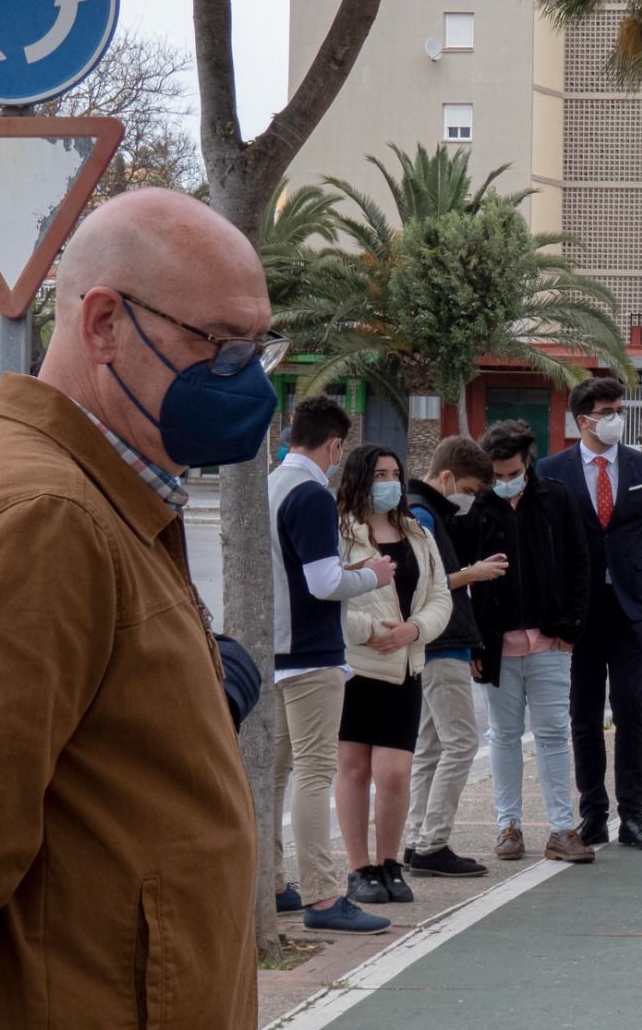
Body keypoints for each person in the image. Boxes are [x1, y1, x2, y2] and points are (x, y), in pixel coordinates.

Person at [0, 190, 277, 1024]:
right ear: (104, 324)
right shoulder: (52, 517)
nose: (247, 379)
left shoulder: (104, 494)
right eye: (220, 346)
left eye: (259, 347)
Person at [536, 377, 642, 852]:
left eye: (617, 409)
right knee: (583, 715)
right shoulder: (551, 468)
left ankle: (635, 816)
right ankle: (593, 816)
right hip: (578, 613)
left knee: (630, 708)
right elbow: (542, 545)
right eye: (606, 411)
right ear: (582, 420)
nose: (615, 418)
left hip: (633, 608)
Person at [270, 395, 396, 934]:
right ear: (335, 445)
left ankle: (271, 881)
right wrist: (374, 575)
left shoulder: (270, 484)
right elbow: (323, 584)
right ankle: (323, 896)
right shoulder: (313, 496)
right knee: (314, 772)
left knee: (271, 776)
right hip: (311, 653)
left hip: (271, 650)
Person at [464, 420, 596, 865]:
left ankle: (562, 829)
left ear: (527, 463)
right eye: (496, 475)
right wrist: (475, 645)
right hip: (495, 645)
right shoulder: (479, 505)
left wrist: (570, 629)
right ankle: (508, 826)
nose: (504, 482)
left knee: (555, 733)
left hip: (551, 643)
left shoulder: (555, 497)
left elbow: (581, 563)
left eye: (511, 473)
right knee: (502, 735)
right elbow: (460, 576)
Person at [336, 445, 452, 905]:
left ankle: (389, 864)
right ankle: (358, 868)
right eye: (380, 473)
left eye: (396, 474)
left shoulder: (418, 533)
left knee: (395, 772)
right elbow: (326, 599)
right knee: (353, 768)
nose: (390, 482)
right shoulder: (340, 532)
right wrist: (369, 632)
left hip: (404, 666)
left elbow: (441, 597)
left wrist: (413, 629)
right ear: (360, 478)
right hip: (355, 668)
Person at [403, 436, 501, 878]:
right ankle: (432, 841)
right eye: (470, 488)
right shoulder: (422, 513)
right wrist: (475, 573)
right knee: (461, 742)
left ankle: (416, 836)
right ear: (446, 477)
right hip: (442, 642)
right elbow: (431, 581)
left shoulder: (419, 509)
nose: (472, 499)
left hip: (432, 643)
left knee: (431, 745)